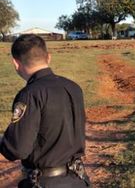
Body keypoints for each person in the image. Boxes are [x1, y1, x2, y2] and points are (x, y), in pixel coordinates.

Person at [0, 34, 90, 187]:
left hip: (45, 182)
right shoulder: (73, 87)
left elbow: (17, 149)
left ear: (16, 63)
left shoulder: (29, 94)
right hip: (78, 179)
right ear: (48, 58)